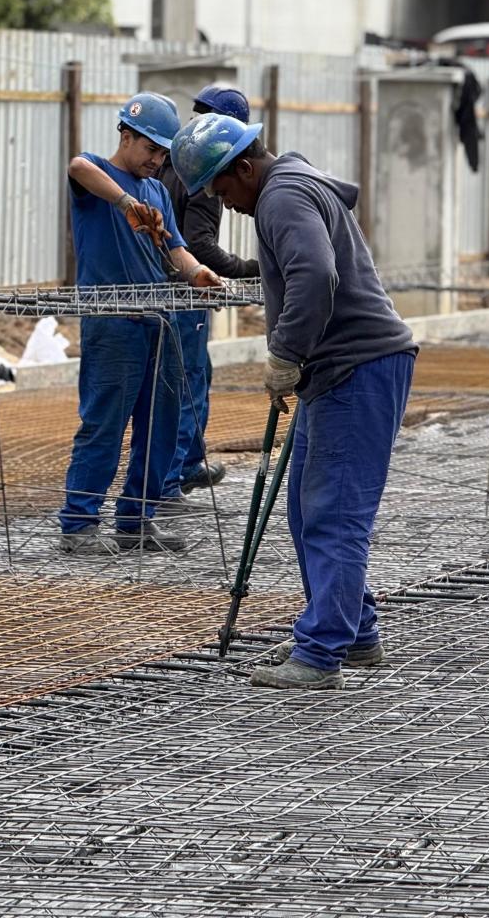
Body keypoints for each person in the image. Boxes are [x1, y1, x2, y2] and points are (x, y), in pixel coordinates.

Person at [169, 113, 417, 690]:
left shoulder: (281, 196)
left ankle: (321, 653)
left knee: (334, 514)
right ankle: (352, 632)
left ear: (246, 168)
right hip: (338, 371)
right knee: (309, 510)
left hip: (357, 368)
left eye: (223, 188)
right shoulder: (291, 184)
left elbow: (314, 273)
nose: (223, 203)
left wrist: (285, 352)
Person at [56, 92, 222, 556]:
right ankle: (79, 523)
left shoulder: (158, 193)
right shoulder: (98, 177)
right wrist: (126, 202)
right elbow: (77, 167)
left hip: (160, 321)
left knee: (161, 426)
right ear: (125, 136)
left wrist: (197, 274)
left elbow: (175, 249)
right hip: (113, 325)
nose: (156, 160)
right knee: (104, 422)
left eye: (163, 153)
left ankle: (136, 521)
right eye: (150, 149)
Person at [158, 83, 261, 502]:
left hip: (157, 291)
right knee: (189, 382)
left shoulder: (168, 160)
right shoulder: (204, 171)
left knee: (174, 385)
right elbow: (199, 245)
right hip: (186, 295)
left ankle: (177, 469)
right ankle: (176, 475)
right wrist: (250, 270)